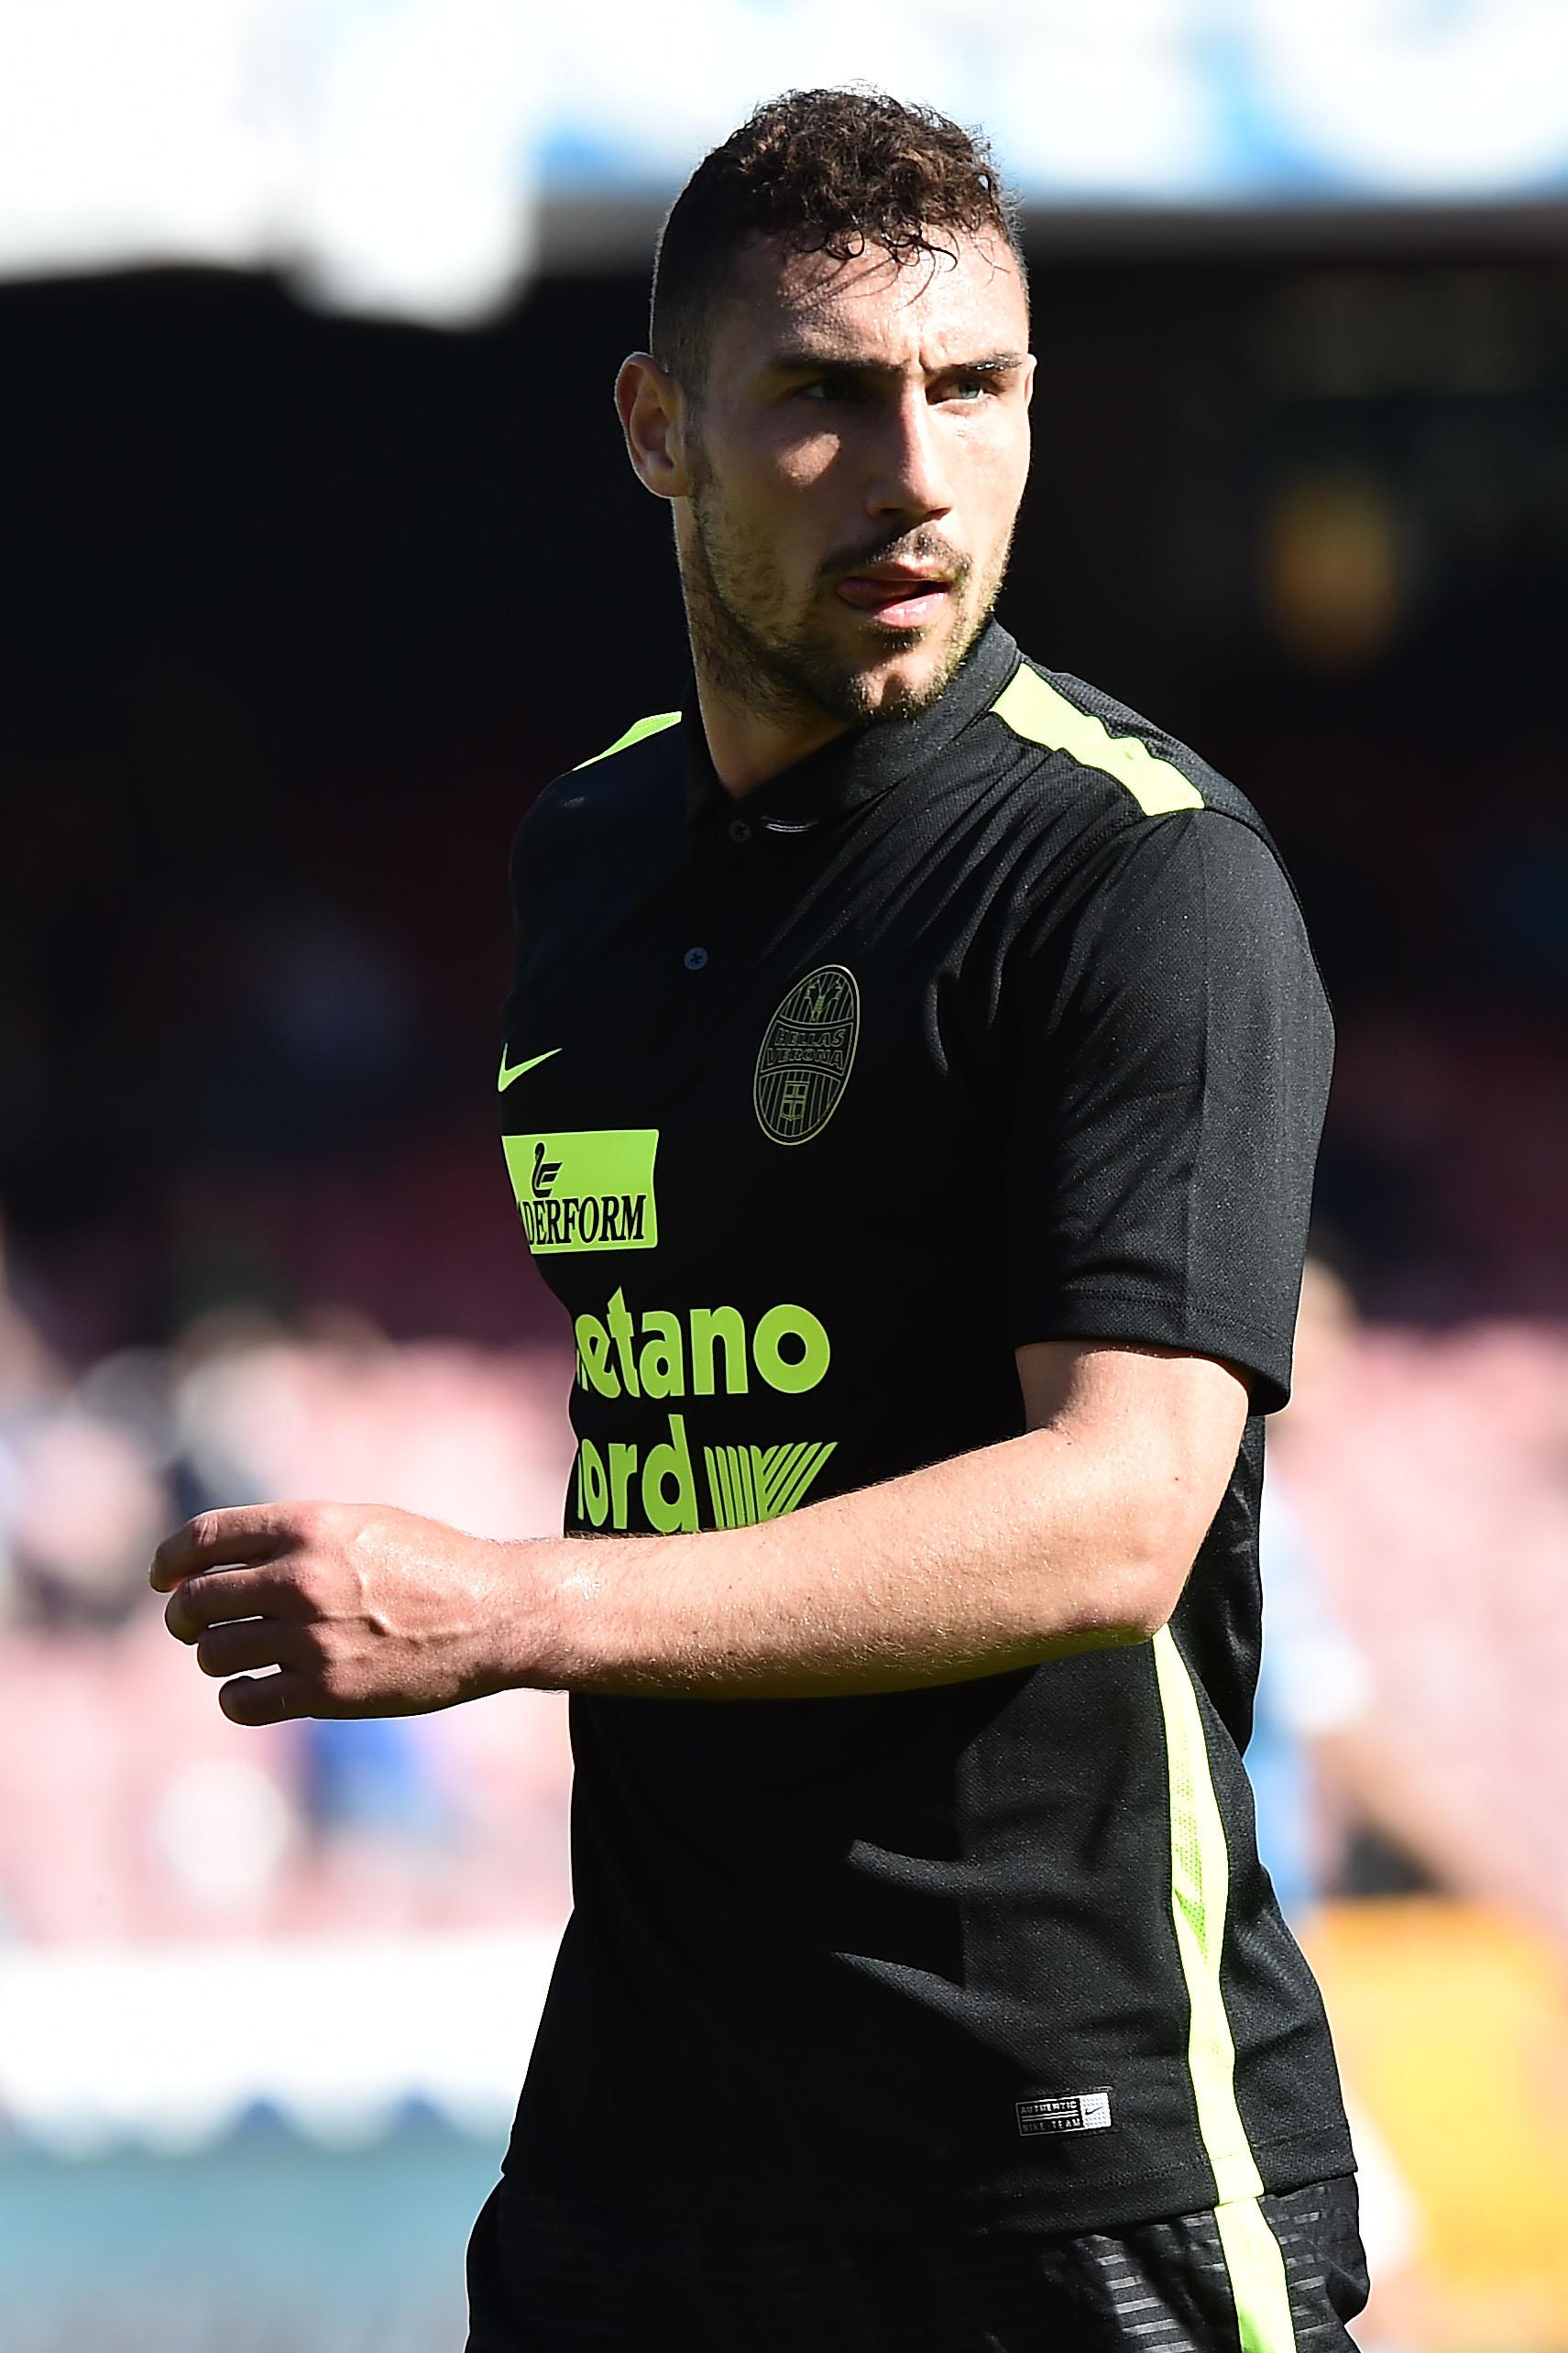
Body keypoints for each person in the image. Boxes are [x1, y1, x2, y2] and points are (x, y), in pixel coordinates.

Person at [151, 89, 1368, 2351]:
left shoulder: (1137, 877)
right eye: (822, 395)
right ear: (657, 430)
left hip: (1051, 2158)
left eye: (971, 390)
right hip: (647, 2145)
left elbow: (1121, 1510)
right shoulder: (589, 857)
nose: (913, 474)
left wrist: (511, 1605)